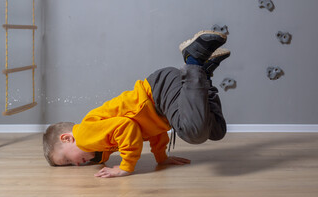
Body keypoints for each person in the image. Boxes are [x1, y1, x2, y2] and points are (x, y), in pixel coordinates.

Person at [43, 30, 230, 178]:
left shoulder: (84, 134)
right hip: (161, 103)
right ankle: (203, 73)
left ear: (68, 138)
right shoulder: (100, 142)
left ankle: (194, 59)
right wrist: (161, 158)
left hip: (158, 92)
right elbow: (152, 130)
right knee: (216, 131)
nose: (75, 165)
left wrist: (126, 167)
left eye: (67, 159)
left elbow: (127, 126)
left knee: (194, 132)